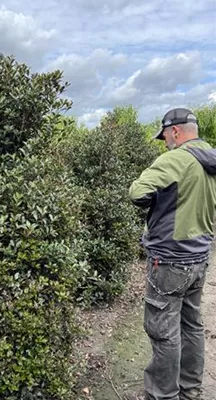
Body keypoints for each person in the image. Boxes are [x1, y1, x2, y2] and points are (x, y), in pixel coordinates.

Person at [129, 108, 216, 400]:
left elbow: (137, 192)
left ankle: (162, 395)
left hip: (169, 260)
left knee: (163, 330)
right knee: (191, 324)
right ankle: (190, 389)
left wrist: (156, 199)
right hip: (200, 257)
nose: (164, 141)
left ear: (175, 131)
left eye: (165, 135)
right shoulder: (210, 159)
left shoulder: (175, 159)